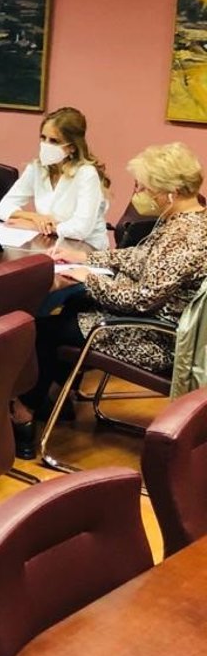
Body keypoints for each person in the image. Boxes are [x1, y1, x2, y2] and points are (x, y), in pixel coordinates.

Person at [13, 142, 207, 453]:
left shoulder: (184, 237)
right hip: (152, 321)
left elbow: (142, 299)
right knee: (75, 304)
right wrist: (86, 259)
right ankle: (54, 397)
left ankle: (24, 415)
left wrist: (89, 278)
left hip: (156, 338)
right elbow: (140, 258)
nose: (138, 192)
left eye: (144, 187)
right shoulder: (189, 219)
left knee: (42, 331)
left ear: (169, 192)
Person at [0, 106, 110, 249]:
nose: (46, 145)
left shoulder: (86, 174)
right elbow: (2, 208)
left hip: (86, 249)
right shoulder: (37, 168)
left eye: (54, 141)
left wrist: (33, 226)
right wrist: (34, 217)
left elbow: (80, 229)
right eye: (43, 138)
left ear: (72, 147)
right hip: (48, 243)